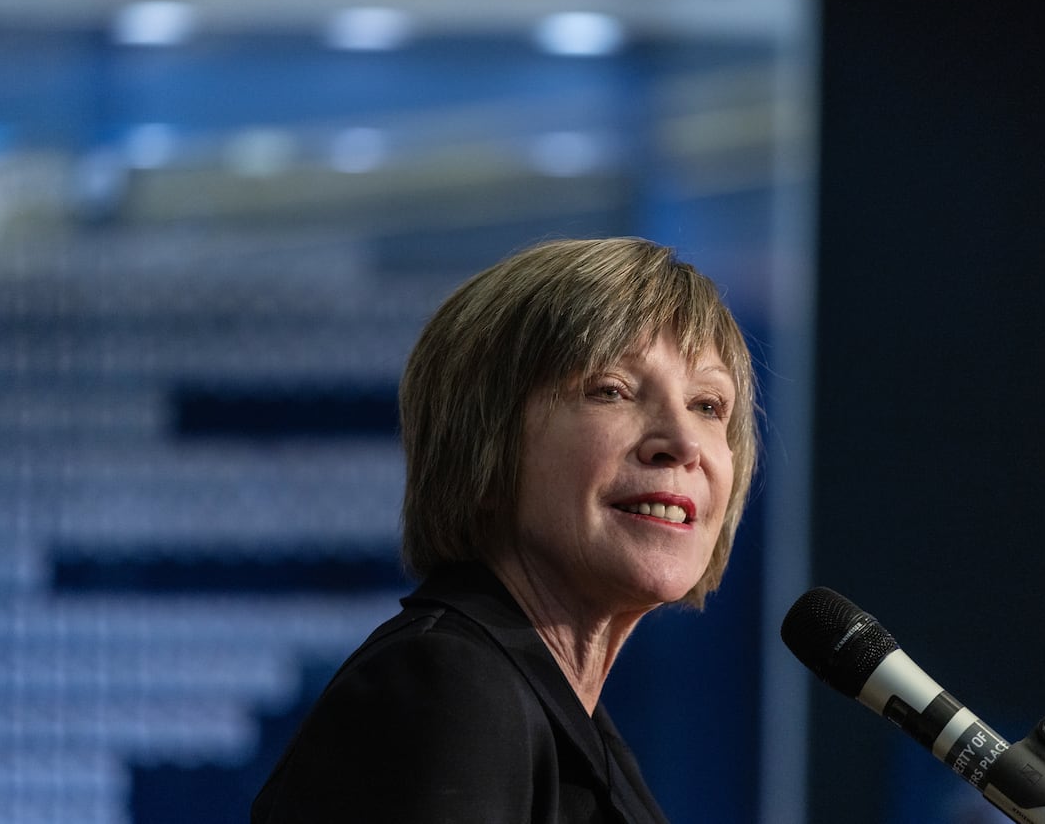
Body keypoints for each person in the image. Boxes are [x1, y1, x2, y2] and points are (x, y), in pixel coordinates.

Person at [251, 237, 759, 823]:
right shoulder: (450, 690)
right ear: (485, 442)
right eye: (611, 391)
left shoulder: (564, 720)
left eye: (707, 405)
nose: (684, 443)